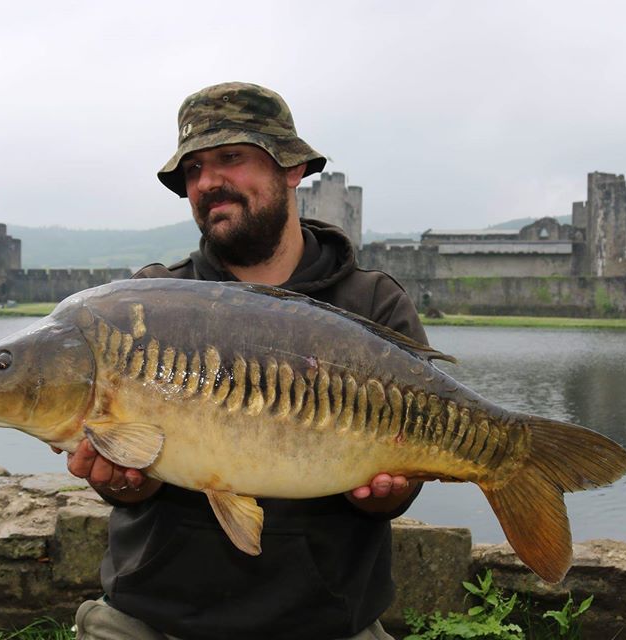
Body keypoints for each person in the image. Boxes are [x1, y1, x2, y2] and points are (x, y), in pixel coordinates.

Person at [64, 82, 430, 640]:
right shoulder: (146, 306)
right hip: (157, 619)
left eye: (231, 158)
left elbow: (402, 481)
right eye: (193, 170)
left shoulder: (373, 304)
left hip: (325, 624)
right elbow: (130, 482)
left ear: (292, 167)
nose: (209, 182)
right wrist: (123, 482)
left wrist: (395, 491)